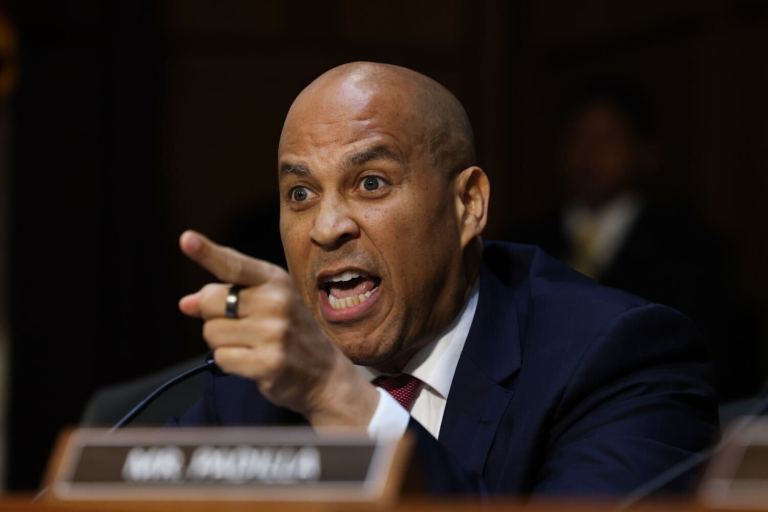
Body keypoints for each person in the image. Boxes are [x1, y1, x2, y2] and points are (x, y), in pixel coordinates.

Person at [174, 62, 718, 497]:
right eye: (300, 193)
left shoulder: (616, 358)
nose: (325, 227)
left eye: (370, 182)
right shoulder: (256, 385)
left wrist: (340, 400)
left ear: (468, 205)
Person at [509, 81, 763, 401]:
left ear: (644, 152)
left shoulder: (691, 250)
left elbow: (714, 362)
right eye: (577, 138)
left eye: (606, 140)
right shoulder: (522, 244)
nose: (588, 155)